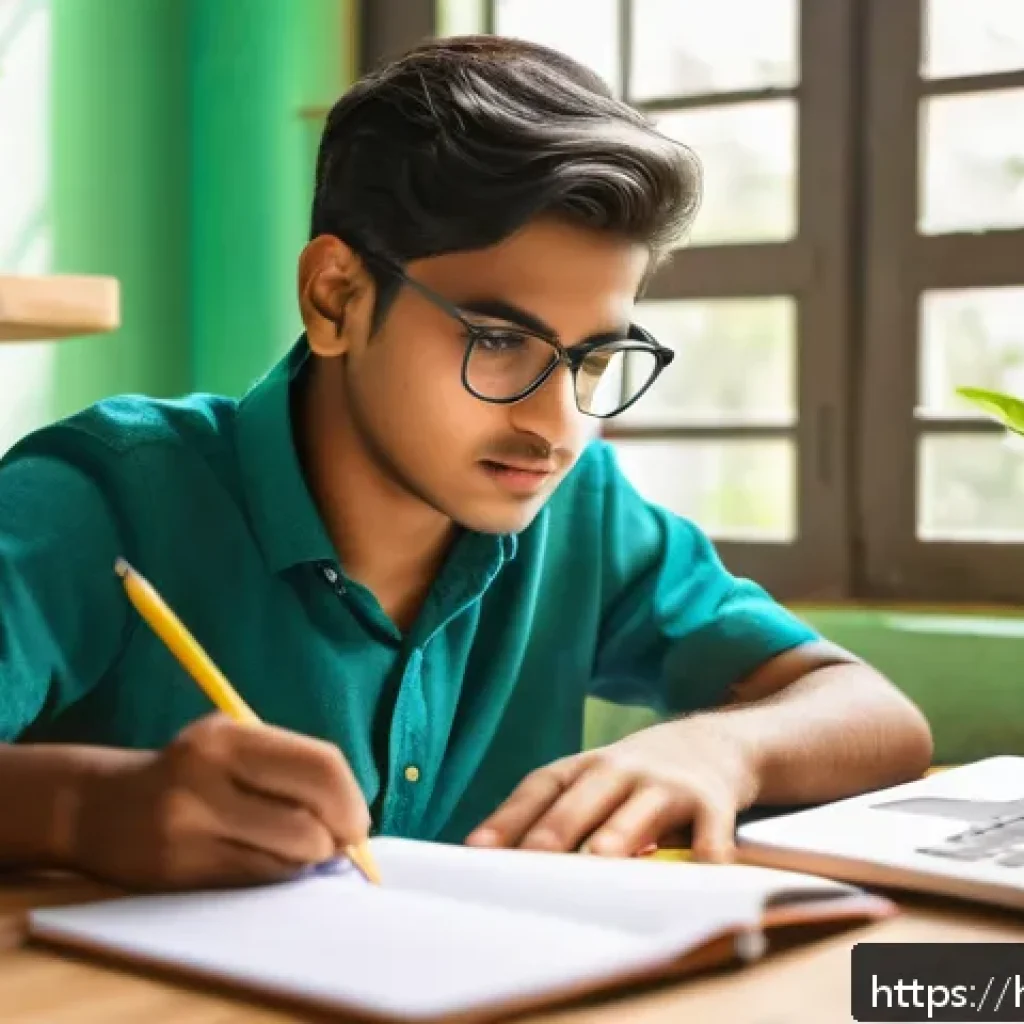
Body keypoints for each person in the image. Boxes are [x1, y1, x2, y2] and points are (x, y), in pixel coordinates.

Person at [0, 35, 932, 891]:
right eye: (496, 341)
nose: (555, 424)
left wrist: (722, 753)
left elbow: (874, 713)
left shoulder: (579, 512)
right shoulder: (103, 498)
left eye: (596, 359)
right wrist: (84, 809)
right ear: (336, 299)